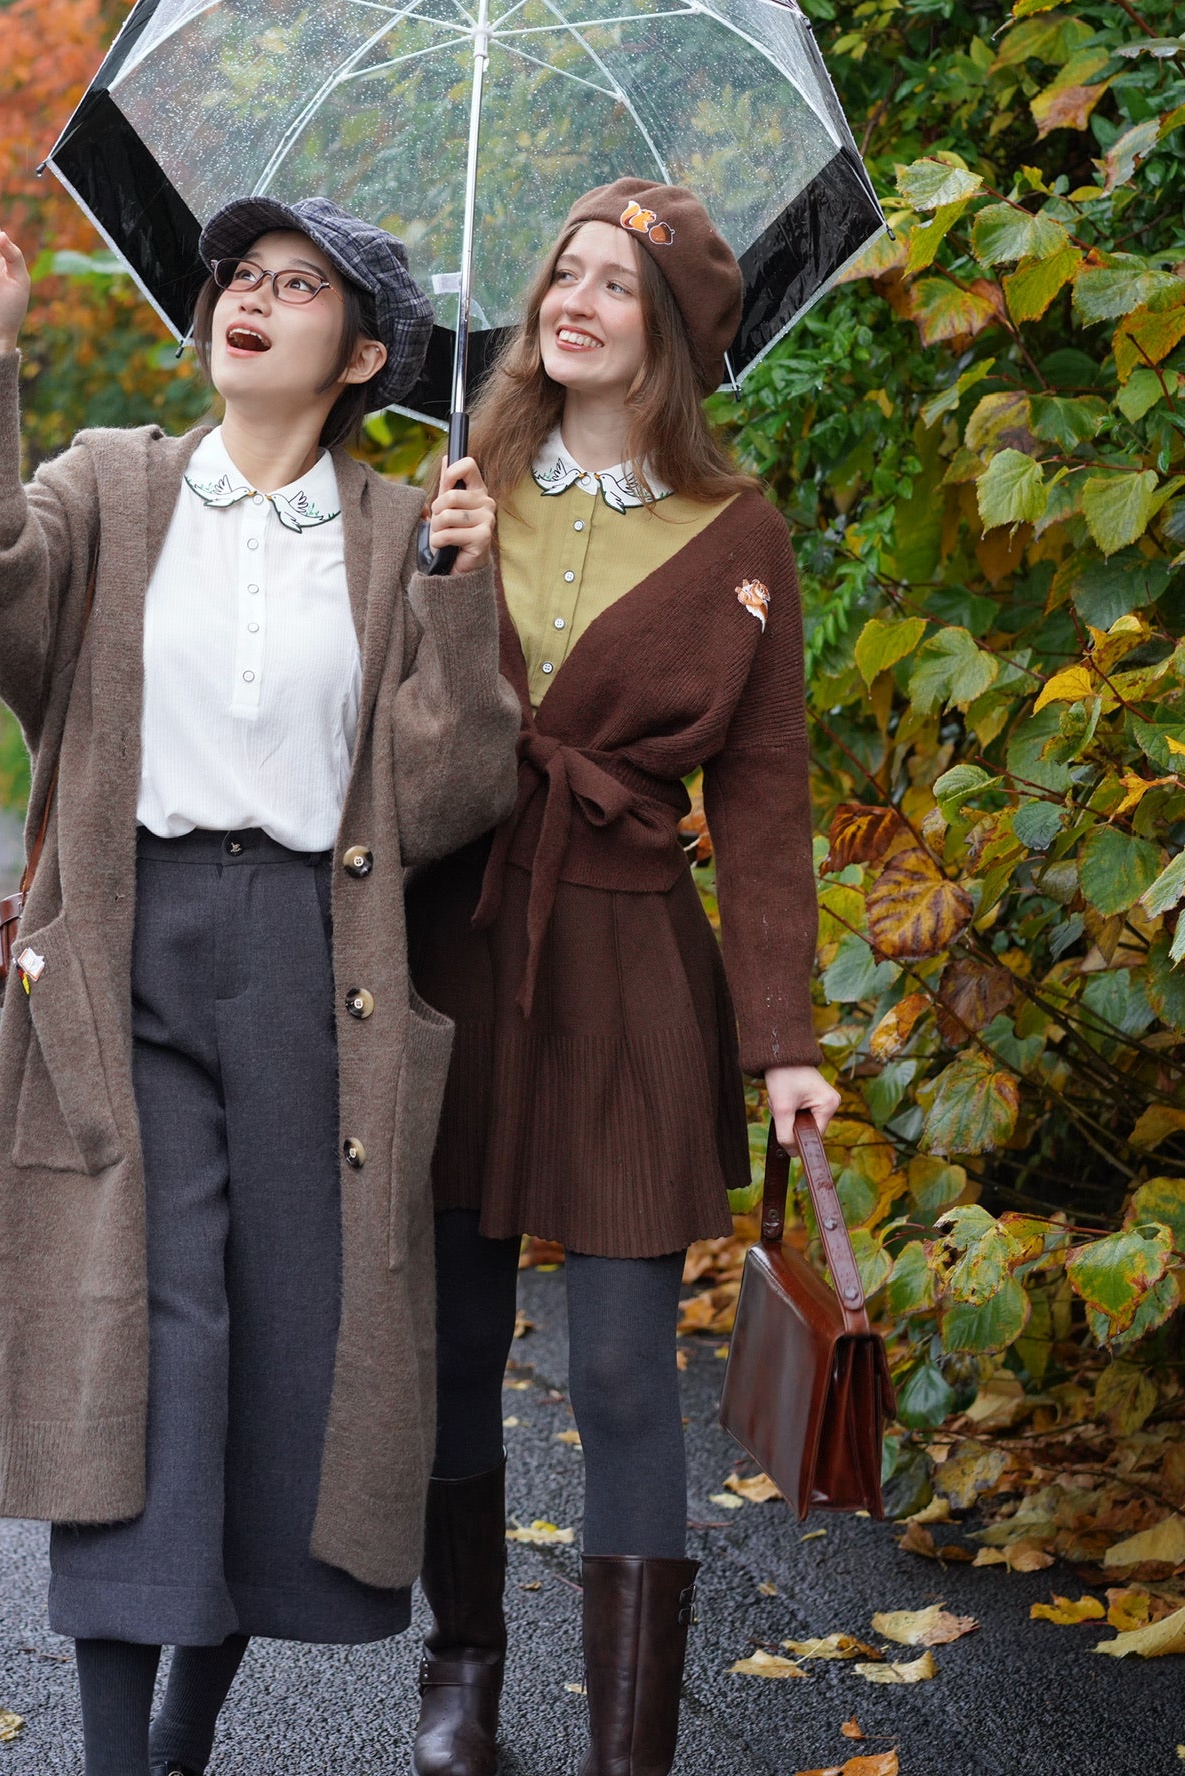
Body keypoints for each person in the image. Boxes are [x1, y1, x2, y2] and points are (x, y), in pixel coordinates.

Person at [0, 170, 520, 1776]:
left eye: (300, 285)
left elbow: (449, 798)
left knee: (287, 1348)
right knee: (140, 1345)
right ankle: (119, 1762)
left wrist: (463, 603)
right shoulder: (112, 484)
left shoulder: (401, 533)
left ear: (368, 356)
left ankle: (185, 1734)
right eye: (240, 271)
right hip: (128, 952)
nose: (249, 294)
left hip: (323, 971)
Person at [406, 178, 840, 1776]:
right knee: (452, 1343)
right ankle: (461, 1678)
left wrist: (782, 1036)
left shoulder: (742, 538)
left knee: (615, 1369)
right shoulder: (462, 485)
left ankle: (625, 1752)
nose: (571, 301)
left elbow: (770, 794)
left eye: (614, 284)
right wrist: (440, 582)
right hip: (459, 941)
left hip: (635, 959)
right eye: (562, 274)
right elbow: (384, 727)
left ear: (673, 334)